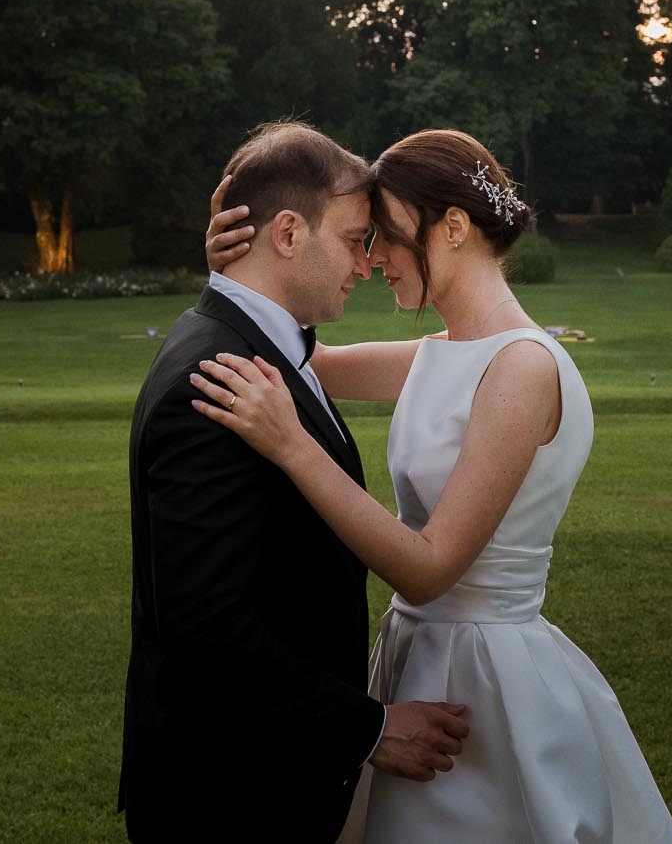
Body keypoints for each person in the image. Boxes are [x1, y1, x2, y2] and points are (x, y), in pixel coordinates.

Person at [194, 128, 672, 843]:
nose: (372, 258)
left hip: (484, 683)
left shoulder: (521, 368)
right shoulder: (439, 354)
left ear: (453, 226)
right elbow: (298, 355)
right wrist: (238, 266)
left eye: (387, 235)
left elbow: (428, 568)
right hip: (411, 659)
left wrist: (295, 447)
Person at [120, 121, 471, 844]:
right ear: (286, 233)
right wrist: (370, 728)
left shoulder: (265, 348)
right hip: (233, 796)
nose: (367, 263)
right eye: (352, 238)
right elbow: (205, 626)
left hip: (274, 778)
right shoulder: (214, 378)